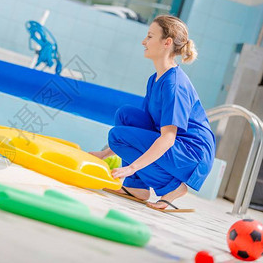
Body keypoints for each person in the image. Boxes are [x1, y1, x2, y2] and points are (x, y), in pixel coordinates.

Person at [91, 15, 215, 211]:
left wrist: (131, 167)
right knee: (126, 115)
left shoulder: (174, 85)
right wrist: (104, 154)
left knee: (117, 136)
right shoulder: (155, 79)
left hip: (191, 153)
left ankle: (173, 187)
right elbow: (138, 130)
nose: (143, 42)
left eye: (149, 36)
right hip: (177, 145)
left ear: (167, 43)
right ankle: (136, 187)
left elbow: (168, 138)